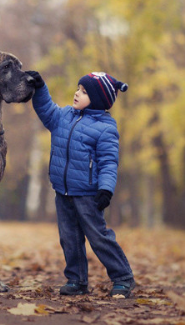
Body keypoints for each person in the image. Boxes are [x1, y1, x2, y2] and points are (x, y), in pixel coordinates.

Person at [26, 70, 135, 298]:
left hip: (88, 194)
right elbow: (46, 109)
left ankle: (122, 278)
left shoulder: (105, 128)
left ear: (97, 99)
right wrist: (40, 88)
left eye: (84, 92)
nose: (77, 93)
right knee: (69, 238)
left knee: (99, 237)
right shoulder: (64, 116)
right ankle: (76, 280)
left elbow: (108, 162)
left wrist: (106, 188)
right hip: (63, 191)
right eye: (78, 88)